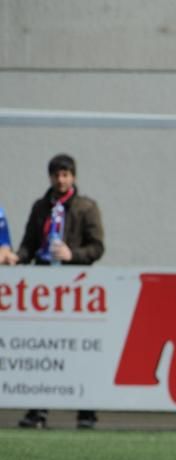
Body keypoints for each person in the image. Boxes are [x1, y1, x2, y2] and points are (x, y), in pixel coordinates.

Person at [8, 154, 105, 429]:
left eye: (65, 174)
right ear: (50, 177)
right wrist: (17, 257)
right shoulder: (41, 207)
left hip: (74, 288)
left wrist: (71, 253)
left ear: (73, 176)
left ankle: (86, 412)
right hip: (43, 287)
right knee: (41, 349)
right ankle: (37, 410)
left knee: (80, 350)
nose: (60, 180)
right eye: (56, 175)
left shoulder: (86, 207)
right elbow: (29, 243)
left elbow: (97, 247)